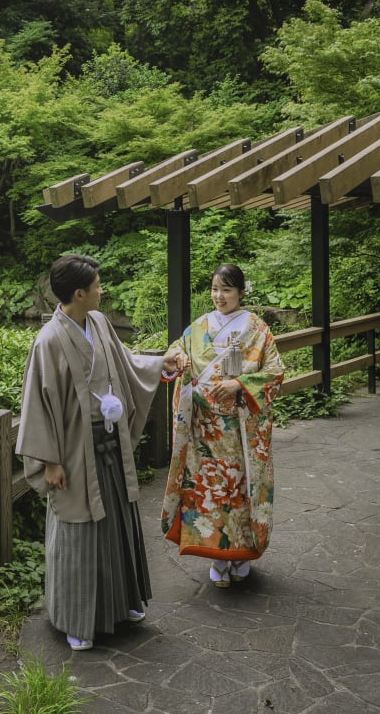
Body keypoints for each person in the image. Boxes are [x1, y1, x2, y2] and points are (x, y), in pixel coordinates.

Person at [16, 253, 180, 652]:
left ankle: (123, 604)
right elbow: (36, 404)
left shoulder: (100, 323)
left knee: (118, 524)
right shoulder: (49, 340)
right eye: (97, 286)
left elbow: (126, 365)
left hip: (109, 445)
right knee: (79, 532)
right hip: (73, 451)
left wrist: (161, 364)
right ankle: (77, 620)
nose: (101, 290)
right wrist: (50, 461)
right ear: (78, 293)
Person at [161, 263, 285, 588]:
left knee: (241, 492)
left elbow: (275, 372)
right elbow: (176, 349)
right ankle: (218, 557)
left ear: (241, 292)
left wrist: (240, 385)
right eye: (215, 289)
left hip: (240, 431)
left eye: (227, 290)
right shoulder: (199, 326)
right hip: (205, 429)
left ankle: (242, 553)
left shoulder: (257, 329)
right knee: (210, 495)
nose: (219, 296)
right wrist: (180, 358)